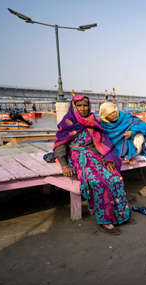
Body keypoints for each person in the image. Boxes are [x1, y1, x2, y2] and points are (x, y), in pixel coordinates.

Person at [53, 95, 131, 235]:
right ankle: (105, 220)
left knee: (115, 178)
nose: (83, 108)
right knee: (98, 182)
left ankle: (121, 215)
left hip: (95, 156)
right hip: (79, 158)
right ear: (74, 107)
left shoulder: (94, 120)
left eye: (85, 105)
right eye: (79, 106)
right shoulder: (68, 122)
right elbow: (60, 145)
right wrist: (64, 165)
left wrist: (108, 159)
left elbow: (103, 141)